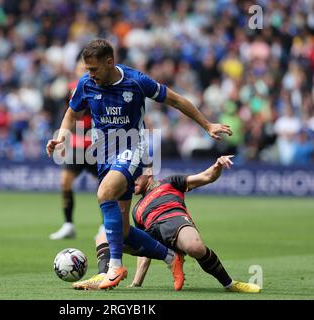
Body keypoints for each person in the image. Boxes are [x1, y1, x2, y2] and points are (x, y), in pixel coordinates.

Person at [46, 39, 232, 290]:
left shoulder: (136, 81)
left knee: (104, 193)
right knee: (121, 232)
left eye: (94, 69)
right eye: (87, 69)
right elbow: (72, 113)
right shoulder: (86, 83)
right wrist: (61, 136)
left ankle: (113, 268)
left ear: (109, 62)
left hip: (131, 147)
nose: (90, 74)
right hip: (103, 154)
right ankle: (171, 257)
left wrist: (207, 124)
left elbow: (176, 100)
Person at [76, 155, 260, 293]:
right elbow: (144, 248)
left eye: (135, 177)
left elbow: (206, 177)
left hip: (175, 223)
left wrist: (217, 165)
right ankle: (103, 274)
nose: (132, 182)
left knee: (194, 247)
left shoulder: (170, 182)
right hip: (156, 238)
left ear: (148, 172)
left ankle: (230, 283)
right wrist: (137, 283)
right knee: (103, 236)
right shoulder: (136, 208)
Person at [49, 55, 103, 240]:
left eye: (85, 69)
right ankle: (68, 224)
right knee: (65, 183)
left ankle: (105, 226)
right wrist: (61, 138)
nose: (83, 72)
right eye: (80, 69)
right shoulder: (71, 90)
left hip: (97, 145)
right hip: (77, 145)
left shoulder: (100, 88)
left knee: (104, 188)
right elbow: (66, 115)